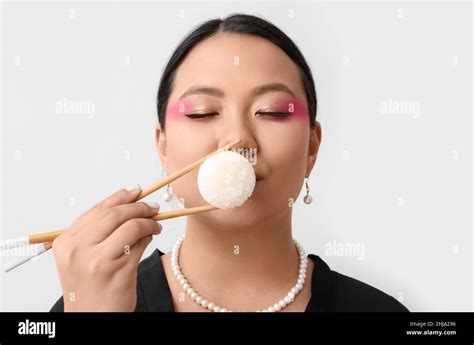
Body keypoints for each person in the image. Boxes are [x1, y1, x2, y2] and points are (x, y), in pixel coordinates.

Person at [50, 13, 409, 312]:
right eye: (203, 113)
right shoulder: (93, 301)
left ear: (312, 148)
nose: (237, 138)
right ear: (163, 147)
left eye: (270, 111)